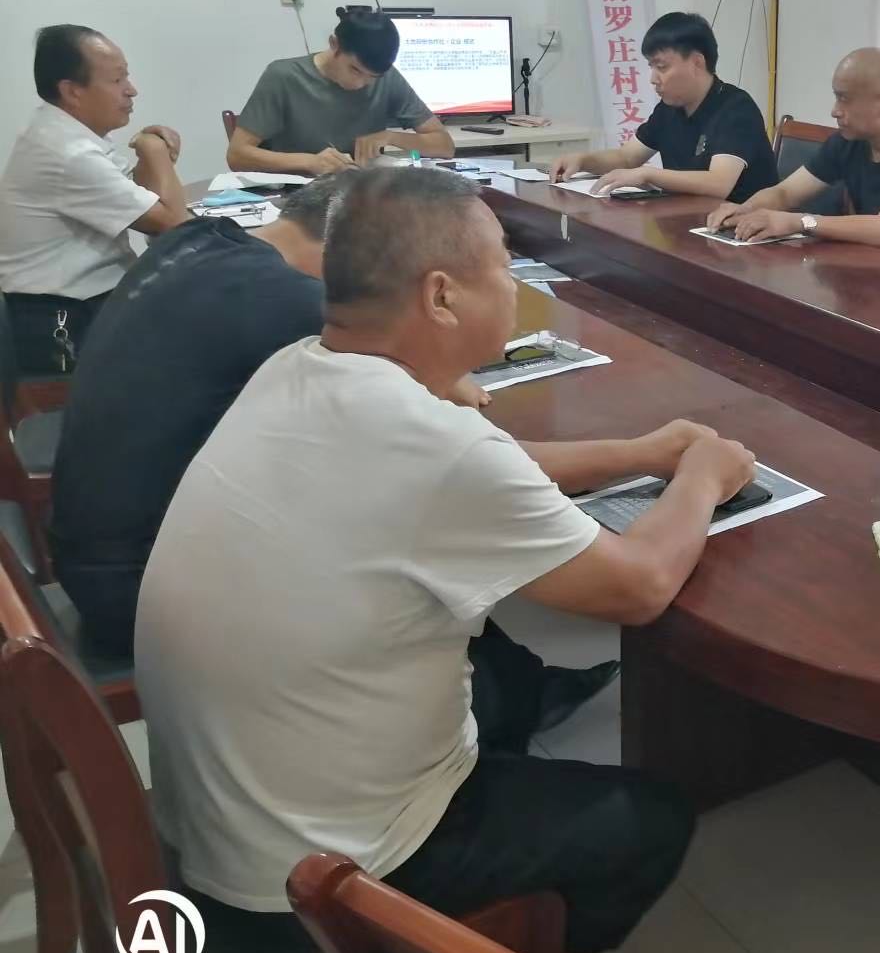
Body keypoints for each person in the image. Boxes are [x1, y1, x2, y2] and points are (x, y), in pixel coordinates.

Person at [136, 167, 755, 953]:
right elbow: (639, 586)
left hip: (230, 816)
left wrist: (639, 453)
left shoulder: (299, 366)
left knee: (503, 684)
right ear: (441, 295)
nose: (515, 283)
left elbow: (480, 468)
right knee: (649, 820)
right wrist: (703, 478)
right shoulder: (432, 444)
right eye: (502, 264)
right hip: (316, 875)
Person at [56, 174, 621, 750]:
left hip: (101, 550)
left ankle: (517, 684)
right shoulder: (295, 304)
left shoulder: (200, 240)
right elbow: (443, 437)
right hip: (141, 590)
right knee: (406, 537)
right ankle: (504, 711)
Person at [0, 24, 187, 373]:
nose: (131, 90)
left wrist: (149, 153)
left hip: (91, 303)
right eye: (117, 80)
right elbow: (174, 225)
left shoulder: (66, 133)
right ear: (72, 91)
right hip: (63, 321)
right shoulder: (68, 153)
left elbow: (140, 198)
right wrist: (154, 150)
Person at [706, 48, 880, 266]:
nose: (834, 111)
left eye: (844, 99)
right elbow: (785, 193)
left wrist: (799, 222)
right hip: (879, 265)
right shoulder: (850, 140)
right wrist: (745, 210)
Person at [546, 12, 778, 202]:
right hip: (688, 221)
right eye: (651, 67)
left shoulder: (736, 109)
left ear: (697, 63)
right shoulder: (670, 108)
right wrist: (583, 160)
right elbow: (626, 157)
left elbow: (718, 183)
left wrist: (649, 174)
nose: (653, 79)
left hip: (743, 230)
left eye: (662, 67)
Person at [227, 8, 452, 175]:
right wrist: (310, 162)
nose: (361, 83)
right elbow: (237, 155)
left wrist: (391, 137)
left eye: (372, 77)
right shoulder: (284, 77)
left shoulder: (387, 78)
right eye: (355, 70)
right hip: (298, 197)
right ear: (334, 44)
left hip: (361, 196)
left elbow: (444, 145)